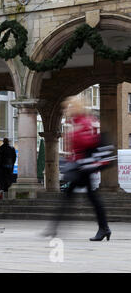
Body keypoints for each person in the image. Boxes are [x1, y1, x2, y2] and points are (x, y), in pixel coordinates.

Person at [43, 96, 111, 241]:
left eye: (69, 107)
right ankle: (103, 228)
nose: (66, 110)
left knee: (84, 198)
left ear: (76, 107)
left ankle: (103, 228)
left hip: (84, 168)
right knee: (80, 198)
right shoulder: (76, 123)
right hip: (80, 168)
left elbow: (89, 143)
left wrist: (78, 134)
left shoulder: (84, 122)